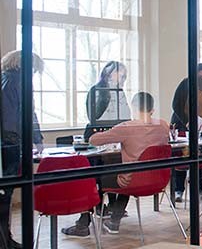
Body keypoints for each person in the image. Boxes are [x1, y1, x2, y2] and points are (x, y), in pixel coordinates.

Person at [63, 92, 169, 236]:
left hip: (131, 180)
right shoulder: (163, 125)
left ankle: (83, 224)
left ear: (133, 107)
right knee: (126, 171)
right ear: (152, 109)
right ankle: (114, 220)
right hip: (156, 180)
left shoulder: (127, 127)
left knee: (95, 178)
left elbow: (93, 140)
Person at [0, 51, 44, 249]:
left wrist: (37, 138)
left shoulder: (14, 81)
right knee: (4, 195)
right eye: (33, 69)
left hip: (12, 144)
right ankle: (3, 241)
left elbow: (28, 112)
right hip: (9, 146)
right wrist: (21, 143)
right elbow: (10, 117)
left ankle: (6, 238)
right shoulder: (11, 82)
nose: (34, 73)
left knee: (6, 195)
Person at [170, 63, 202, 202]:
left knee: (200, 159)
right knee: (181, 158)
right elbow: (176, 104)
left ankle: (198, 188)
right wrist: (187, 122)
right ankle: (178, 190)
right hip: (182, 124)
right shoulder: (186, 83)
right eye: (200, 76)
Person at [84, 61, 130, 140]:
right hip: (99, 135)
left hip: (117, 134)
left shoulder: (119, 91)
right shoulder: (96, 90)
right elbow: (94, 117)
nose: (121, 75)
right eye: (118, 71)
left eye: (123, 73)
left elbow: (125, 115)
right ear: (109, 72)